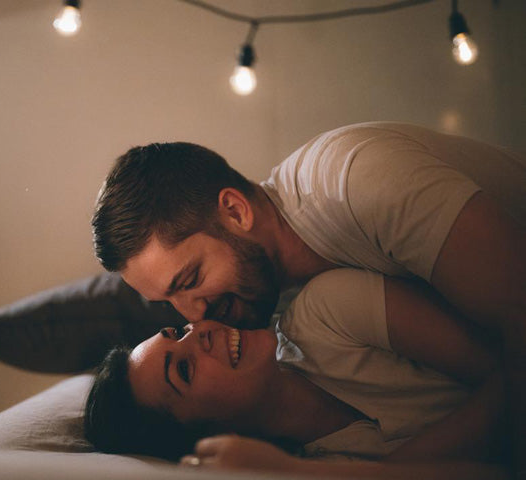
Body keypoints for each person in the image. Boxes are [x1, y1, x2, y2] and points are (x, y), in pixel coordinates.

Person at [90, 122, 526, 471]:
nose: (196, 318)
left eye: (189, 279)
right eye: (170, 306)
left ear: (237, 212)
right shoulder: (269, 309)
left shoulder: (359, 181)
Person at [84, 269, 507, 478]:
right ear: (207, 435)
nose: (203, 332)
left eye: (179, 332)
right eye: (184, 369)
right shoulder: (313, 466)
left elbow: (514, 372)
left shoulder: (328, 311)